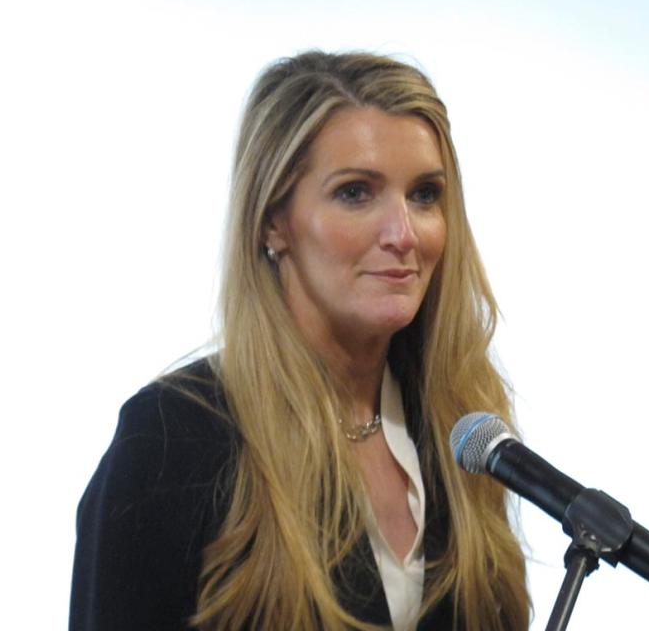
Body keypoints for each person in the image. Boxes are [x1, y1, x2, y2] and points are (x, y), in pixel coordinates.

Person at [69, 51, 531, 630]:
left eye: (424, 195)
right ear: (272, 221)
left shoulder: (459, 424)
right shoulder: (172, 436)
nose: (403, 234)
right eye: (356, 193)